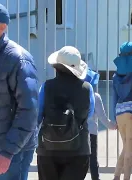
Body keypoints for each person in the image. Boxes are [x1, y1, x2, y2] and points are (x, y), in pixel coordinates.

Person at [36, 46, 95, 180]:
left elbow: (38, 115)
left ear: (56, 67)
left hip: (48, 147)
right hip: (78, 148)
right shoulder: (87, 88)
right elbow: (89, 114)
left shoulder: (46, 86)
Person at [0, 3, 39, 179]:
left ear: (2, 26)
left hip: (12, 151)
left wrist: (7, 152)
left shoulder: (19, 59)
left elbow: (28, 111)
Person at [112, 42, 132, 180]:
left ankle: (117, 176)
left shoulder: (115, 76)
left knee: (126, 147)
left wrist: (114, 117)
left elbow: (114, 98)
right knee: (130, 149)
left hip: (119, 112)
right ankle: (126, 178)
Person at [84, 68, 117, 180]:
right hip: (92, 132)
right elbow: (102, 117)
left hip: (77, 132)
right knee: (93, 159)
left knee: (78, 158)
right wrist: (112, 125)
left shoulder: (74, 94)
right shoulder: (95, 96)